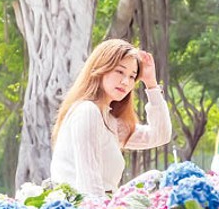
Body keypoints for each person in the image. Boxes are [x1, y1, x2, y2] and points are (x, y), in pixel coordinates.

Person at [50, 39, 172, 197]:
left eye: (132, 77)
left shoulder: (109, 121)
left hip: (107, 205)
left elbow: (160, 135)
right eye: (120, 72)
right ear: (101, 68)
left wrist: (151, 84)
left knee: (156, 178)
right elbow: (89, 184)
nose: (125, 82)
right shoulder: (87, 111)